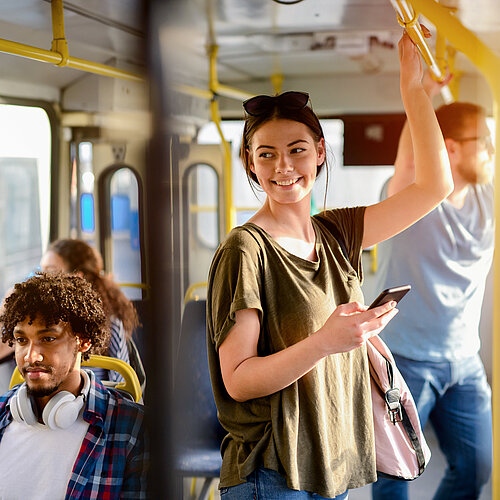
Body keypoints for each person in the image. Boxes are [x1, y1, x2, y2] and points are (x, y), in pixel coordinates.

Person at [206, 29, 453, 499]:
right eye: (267, 154)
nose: (283, 166)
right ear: (250, 164)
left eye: (297, 149)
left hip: (333, 462)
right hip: (274, 473)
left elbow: (433, 188)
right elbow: (238, 380)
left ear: (320, 152)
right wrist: (326, 341)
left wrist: (413, 89)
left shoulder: (336, 231)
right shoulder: (246, 250)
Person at [371, 74, 494, 499]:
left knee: (476, 469)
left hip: (465, 362)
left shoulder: (487, 196)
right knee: (397, 475)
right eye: (486, 144)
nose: (493, 152)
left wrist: (441, 92)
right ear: (453, 149)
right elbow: (409, 164)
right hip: (407, 361)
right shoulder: (413, 197)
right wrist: (419, 94)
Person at [0, 272, 148, 498]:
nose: (31, 356)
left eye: (48, 339)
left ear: (84, 341)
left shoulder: (131, 429)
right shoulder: (2, 414)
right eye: (21, 340)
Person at [40, 238, 139, 383]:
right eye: (41, 271)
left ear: (77, 277)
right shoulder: (37, 321)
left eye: (50, 271)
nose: (42, 278)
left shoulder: (110, 325)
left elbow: (120, 387)